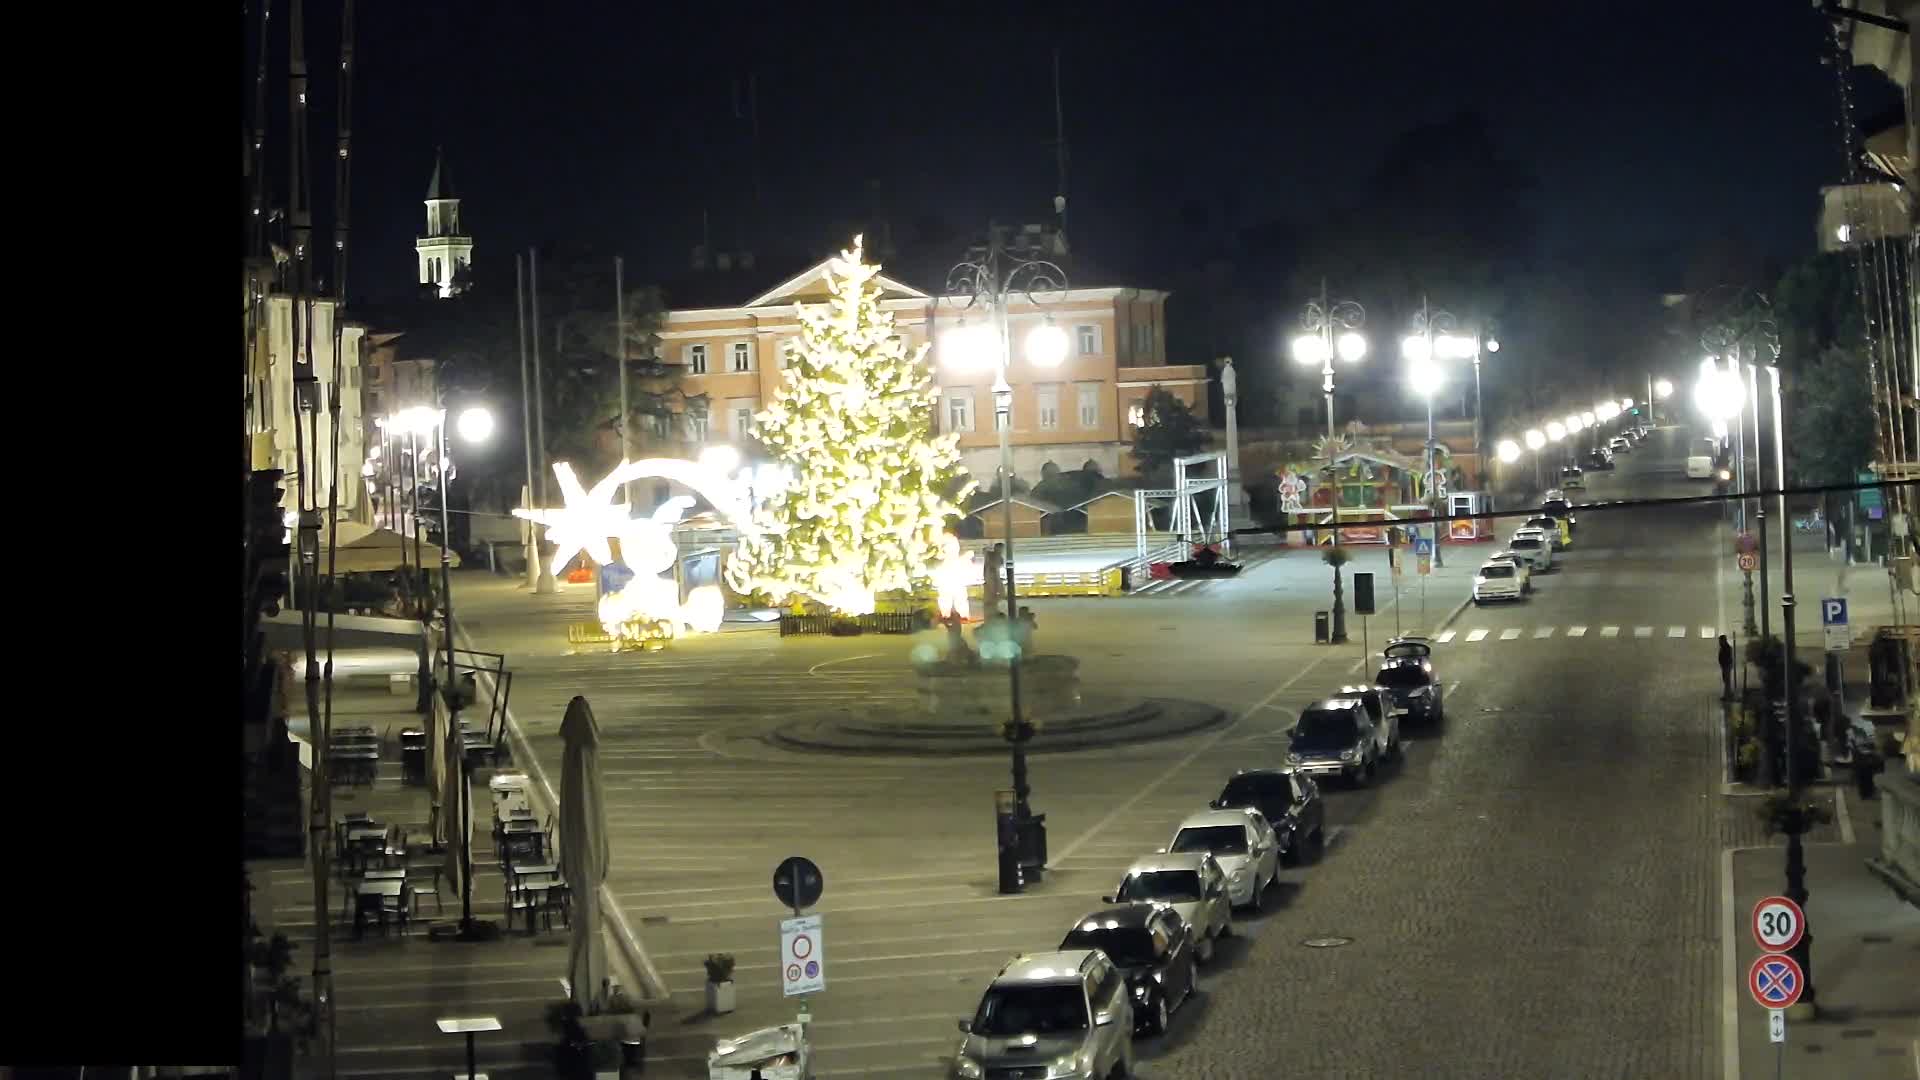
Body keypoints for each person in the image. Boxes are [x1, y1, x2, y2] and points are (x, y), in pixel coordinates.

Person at [1717, 635, 1735, 700]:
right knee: (1726, 680)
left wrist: (1725, 665)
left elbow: (1727, 658)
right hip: (1725, 666)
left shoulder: (1726, 648)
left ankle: (1727, 695)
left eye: (1720, 641)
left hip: (1726, 666)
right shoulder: (1723, 647)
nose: (1719, 642)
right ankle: (1728, 694)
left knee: (1727, 681)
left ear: (1723, 641)